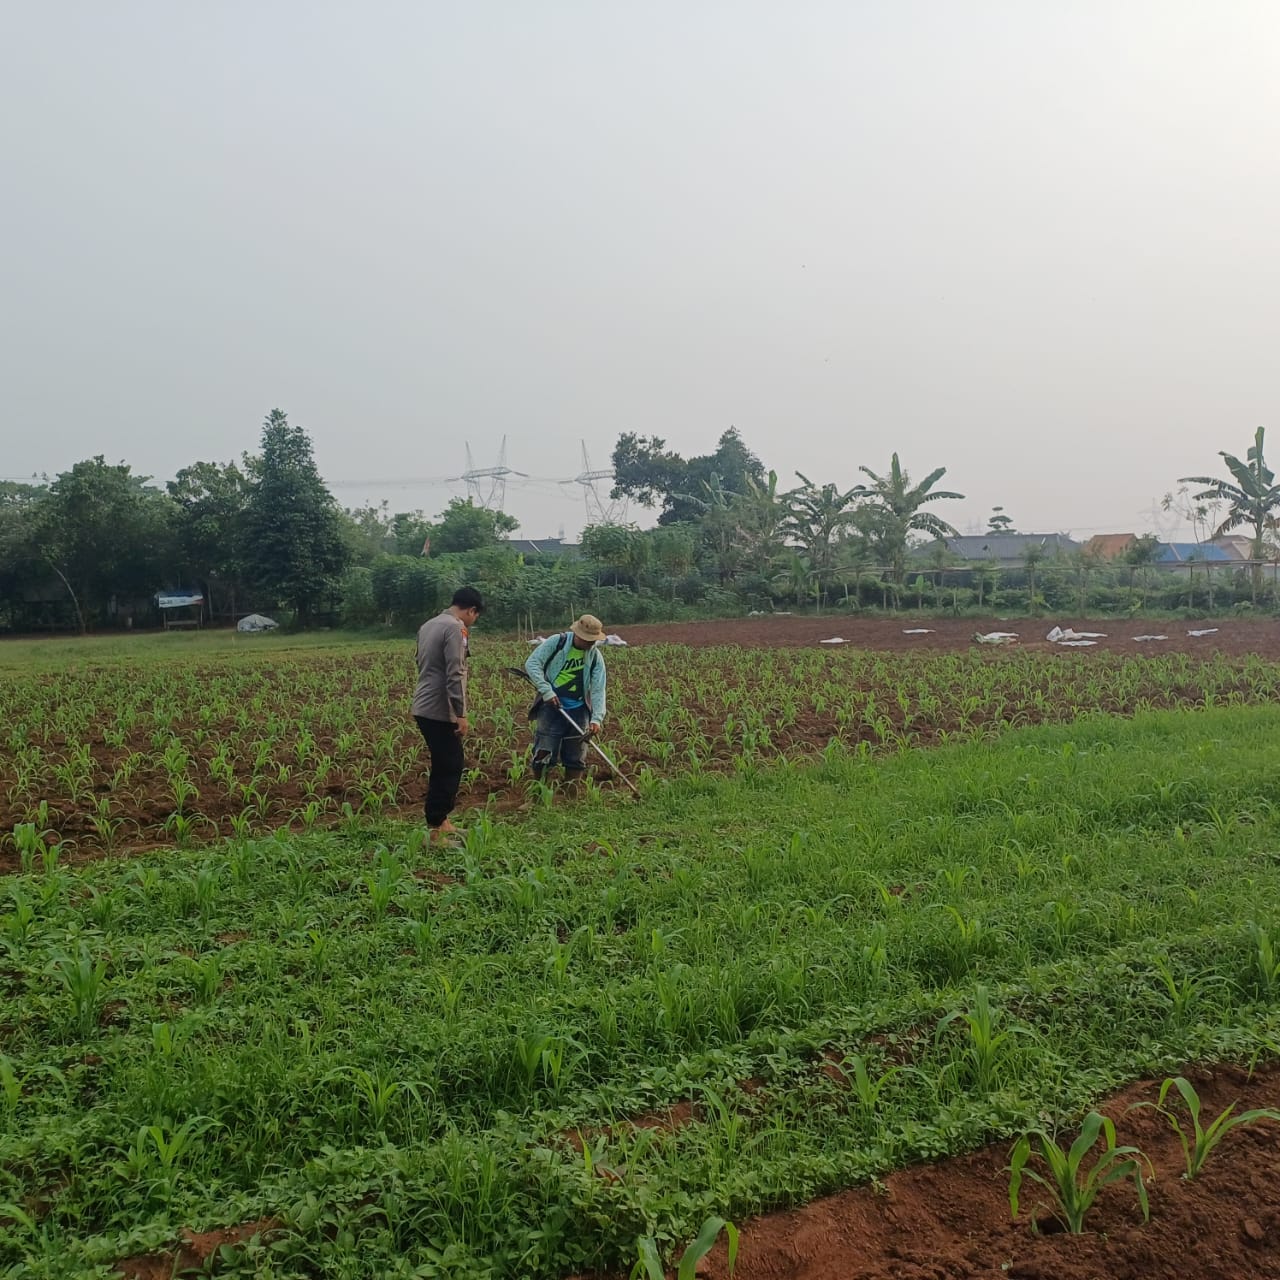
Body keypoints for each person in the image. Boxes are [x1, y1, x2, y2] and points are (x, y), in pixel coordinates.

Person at [411, 587, 483, 842]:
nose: (473, 622)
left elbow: (421, 662)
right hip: (440, 708)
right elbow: (456, 672)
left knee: (445, 763)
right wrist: (460, 714)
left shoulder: (429, 624)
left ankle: (442, 821)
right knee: (450, 765)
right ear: (471, 610)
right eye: (475, 616)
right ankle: (435, 829)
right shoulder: (455, 628)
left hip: (423, 704)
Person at [525, 614, 608, 785]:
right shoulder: (558, 642)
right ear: (578, 634)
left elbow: (598, 688)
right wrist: (546, 691)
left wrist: (597, 718)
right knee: (544, 752)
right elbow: (532, 663)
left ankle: (571, 795)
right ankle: (539, 797)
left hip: (579, 709)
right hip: (551, 707)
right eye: (588, 640)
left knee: (576, 755)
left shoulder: (595, 656)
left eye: (594, 640)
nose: (591, 644)